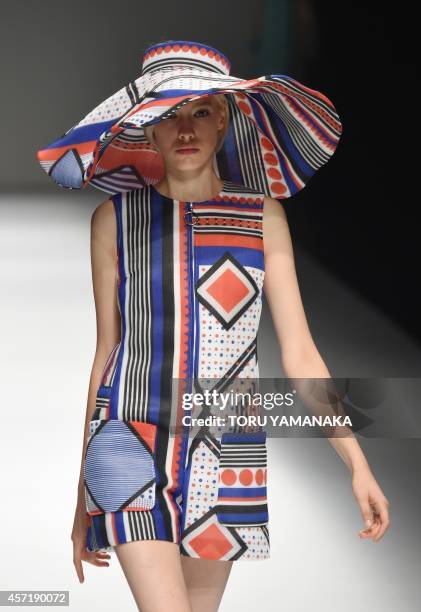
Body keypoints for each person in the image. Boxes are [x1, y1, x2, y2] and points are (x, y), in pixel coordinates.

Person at [37, 40, 390, 612]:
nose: (185, 129)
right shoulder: (114, 220)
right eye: (168, 115)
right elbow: (107, 352)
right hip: (128, 437)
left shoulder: (262, 217)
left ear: (223, 122)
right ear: (145, 130)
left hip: (227, 447)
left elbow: (300, 354)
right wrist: (82, 494)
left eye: (200, 111)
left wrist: (358, 463)